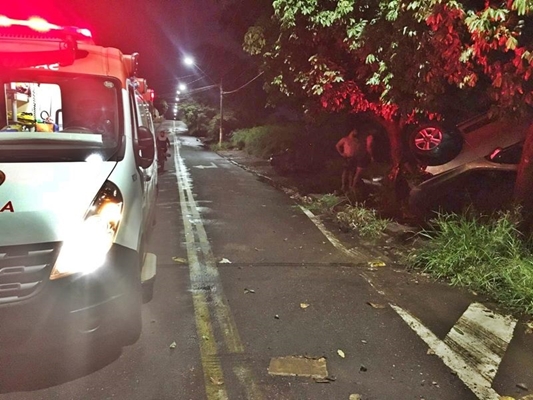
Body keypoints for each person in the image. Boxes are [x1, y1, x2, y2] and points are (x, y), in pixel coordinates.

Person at [336, 127, 374, 192]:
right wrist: (341, 153)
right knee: (345, 172)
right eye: (355, 131)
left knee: (351, 172)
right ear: (352, 131)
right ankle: (343, 186)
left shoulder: (356, 140)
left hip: (354, 158)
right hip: (347, 157)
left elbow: (359, 148)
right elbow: (337, 145)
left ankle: (350, 186)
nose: (356, 133)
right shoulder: (345, 139)